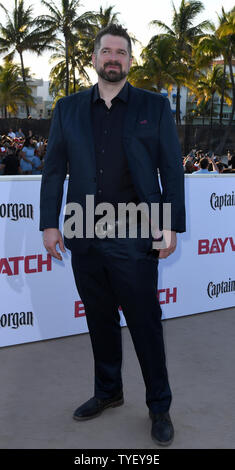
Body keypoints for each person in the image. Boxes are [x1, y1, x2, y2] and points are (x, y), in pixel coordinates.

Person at [40, 24, 186, 447]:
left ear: (129, 60)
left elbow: (171, 169)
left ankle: (159, 405)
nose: (114, 58)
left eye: (122, 52)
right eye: (107, 51)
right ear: (94, 57)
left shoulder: (153, 106)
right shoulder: (67, 109)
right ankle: (108, 392)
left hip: (136, 233)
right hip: (83, 232)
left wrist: (169, 224)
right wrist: (50, 223)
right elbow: (53, 170)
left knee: (145, 323)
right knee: (99, 319)